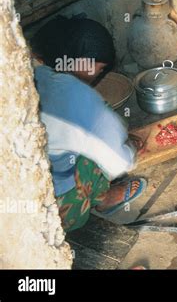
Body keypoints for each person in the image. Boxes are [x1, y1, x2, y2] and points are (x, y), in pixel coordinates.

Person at [31, 16, 147, 232]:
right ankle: (104, 199)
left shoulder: (24, 68)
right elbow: (119, 162)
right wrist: (127, 147)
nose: (99, 76)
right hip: (47, 212)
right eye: (99, 69)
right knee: (95, 149)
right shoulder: (76, 98)